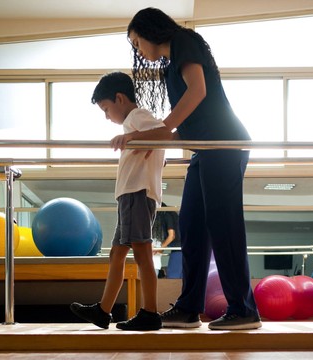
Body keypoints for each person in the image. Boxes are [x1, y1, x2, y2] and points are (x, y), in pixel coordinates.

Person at [112, 7, 262, 330]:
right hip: (203, 149)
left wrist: (159, 132)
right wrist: (149, 137)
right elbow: (189, 125)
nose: (138, 51)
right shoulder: (169, 68)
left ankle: (244, 308)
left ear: (149, 30)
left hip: (224, 145)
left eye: (137, 42)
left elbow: (198, 91)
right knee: (191, 226)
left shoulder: (184, 41)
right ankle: (188, 307)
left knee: (224, 225)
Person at [69, 71, 166, 331]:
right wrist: (134, 139)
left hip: (137, 192)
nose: (106, 115)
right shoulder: (133, 123)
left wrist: (133, 138)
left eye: (106, 108)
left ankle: (150, 313)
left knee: (142, 252)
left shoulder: (137, 116)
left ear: (120, 99)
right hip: (128, 195)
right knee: (117, 253)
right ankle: (103, 310)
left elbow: (163, 133)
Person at [152, 202, 182, 279]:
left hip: (179, 249)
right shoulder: (172, 215)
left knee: (172, 277)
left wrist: (160, 248)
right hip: (182, 248)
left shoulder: (166, 215)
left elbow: (171, 236)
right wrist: (160, 249)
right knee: (181, 278)